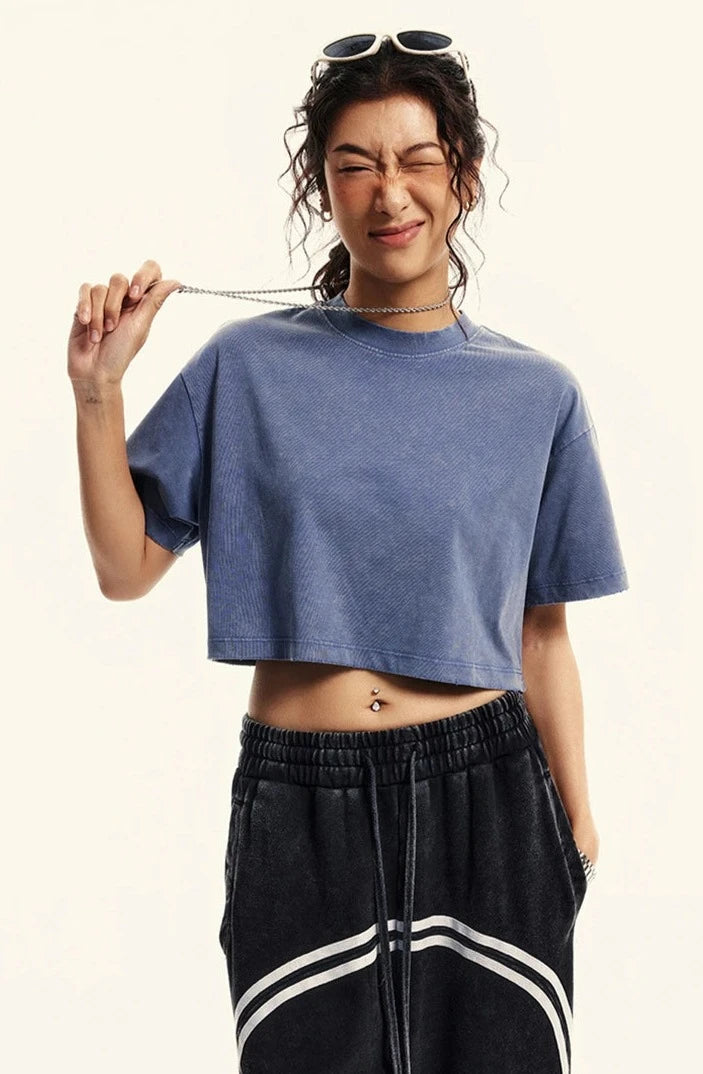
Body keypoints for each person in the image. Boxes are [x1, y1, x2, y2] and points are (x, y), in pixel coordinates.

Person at [68, 31, 629, 1074]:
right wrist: (98, 392)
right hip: (301, 805)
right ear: (319, 187)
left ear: (462, 177)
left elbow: (542, 634)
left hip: (492, 802)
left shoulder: (536, 394)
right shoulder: (247, 366)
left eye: (416, 161)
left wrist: (575, 830)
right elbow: (124, 568)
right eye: (355, 165)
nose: (388, 193)